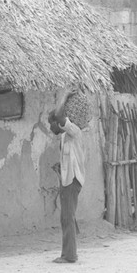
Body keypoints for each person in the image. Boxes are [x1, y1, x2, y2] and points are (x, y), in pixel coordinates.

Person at [48, 88, 86, 263]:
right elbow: (54, 121)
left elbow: (59, 118)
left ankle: (70, 255)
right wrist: (56, 115)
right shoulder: (66, 134)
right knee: (67, 217)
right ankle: (68, 253)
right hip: (68, 179)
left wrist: (63, 97)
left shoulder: (75, 131)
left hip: (72, 179)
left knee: (67, 217)